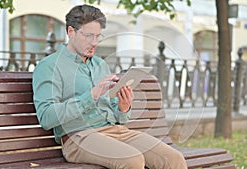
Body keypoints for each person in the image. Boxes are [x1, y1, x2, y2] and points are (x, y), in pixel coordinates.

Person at [32, 4, 187, 169]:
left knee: (173, 159)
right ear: (71, 32)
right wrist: (90, 96)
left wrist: (123, 107)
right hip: (79, 137)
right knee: (133, 159)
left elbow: (119, 116)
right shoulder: (49, 66)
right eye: (89, 36)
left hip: (116, 131)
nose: (94, 42)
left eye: (98, 36)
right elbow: (47, 118)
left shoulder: (100, 65)